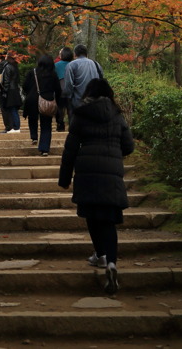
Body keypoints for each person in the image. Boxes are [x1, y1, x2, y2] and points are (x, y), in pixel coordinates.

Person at [57, 78, 135, 296]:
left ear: (88, 93)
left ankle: (99, 255)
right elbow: (129, 146)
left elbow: (70, 149)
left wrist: (64, 179)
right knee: (109, 219)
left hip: (87, 171)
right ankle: (111, 262)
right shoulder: (116, 115)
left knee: (92, 215)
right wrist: (113, 153)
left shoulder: (81, 114)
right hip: (111, 172)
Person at [22, 54, 62, 155]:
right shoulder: (52, 74)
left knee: (32, 118)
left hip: (32, 100)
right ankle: (44, 148)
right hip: (47, 100)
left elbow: (25, 86)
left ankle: (34, 136)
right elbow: (58, 89)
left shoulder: (33, 72)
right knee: (46, 125)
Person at [63, 44, 103, 111]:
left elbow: (69, 84)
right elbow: (101, 80)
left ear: (75, 54)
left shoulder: (71, 65)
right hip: (95, 102)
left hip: (78, 103)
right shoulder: (96, 64)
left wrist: (68, 98)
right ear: (87, 54)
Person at [0, 52, 22, 133]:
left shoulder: (8, 67)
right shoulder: (15, 66)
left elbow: (6, 80)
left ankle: (15, 127)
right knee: (14, 110)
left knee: (11, 109)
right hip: (15, 89)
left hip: (10, 90)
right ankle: (17, 126)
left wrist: (4, 91)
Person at [54, 47, 74, 132]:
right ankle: (71, 125)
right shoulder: (73, 64)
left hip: (59, 88)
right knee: (70, 108)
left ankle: (60, 125)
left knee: (59, 107)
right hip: (71, 88)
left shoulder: (56, 65)